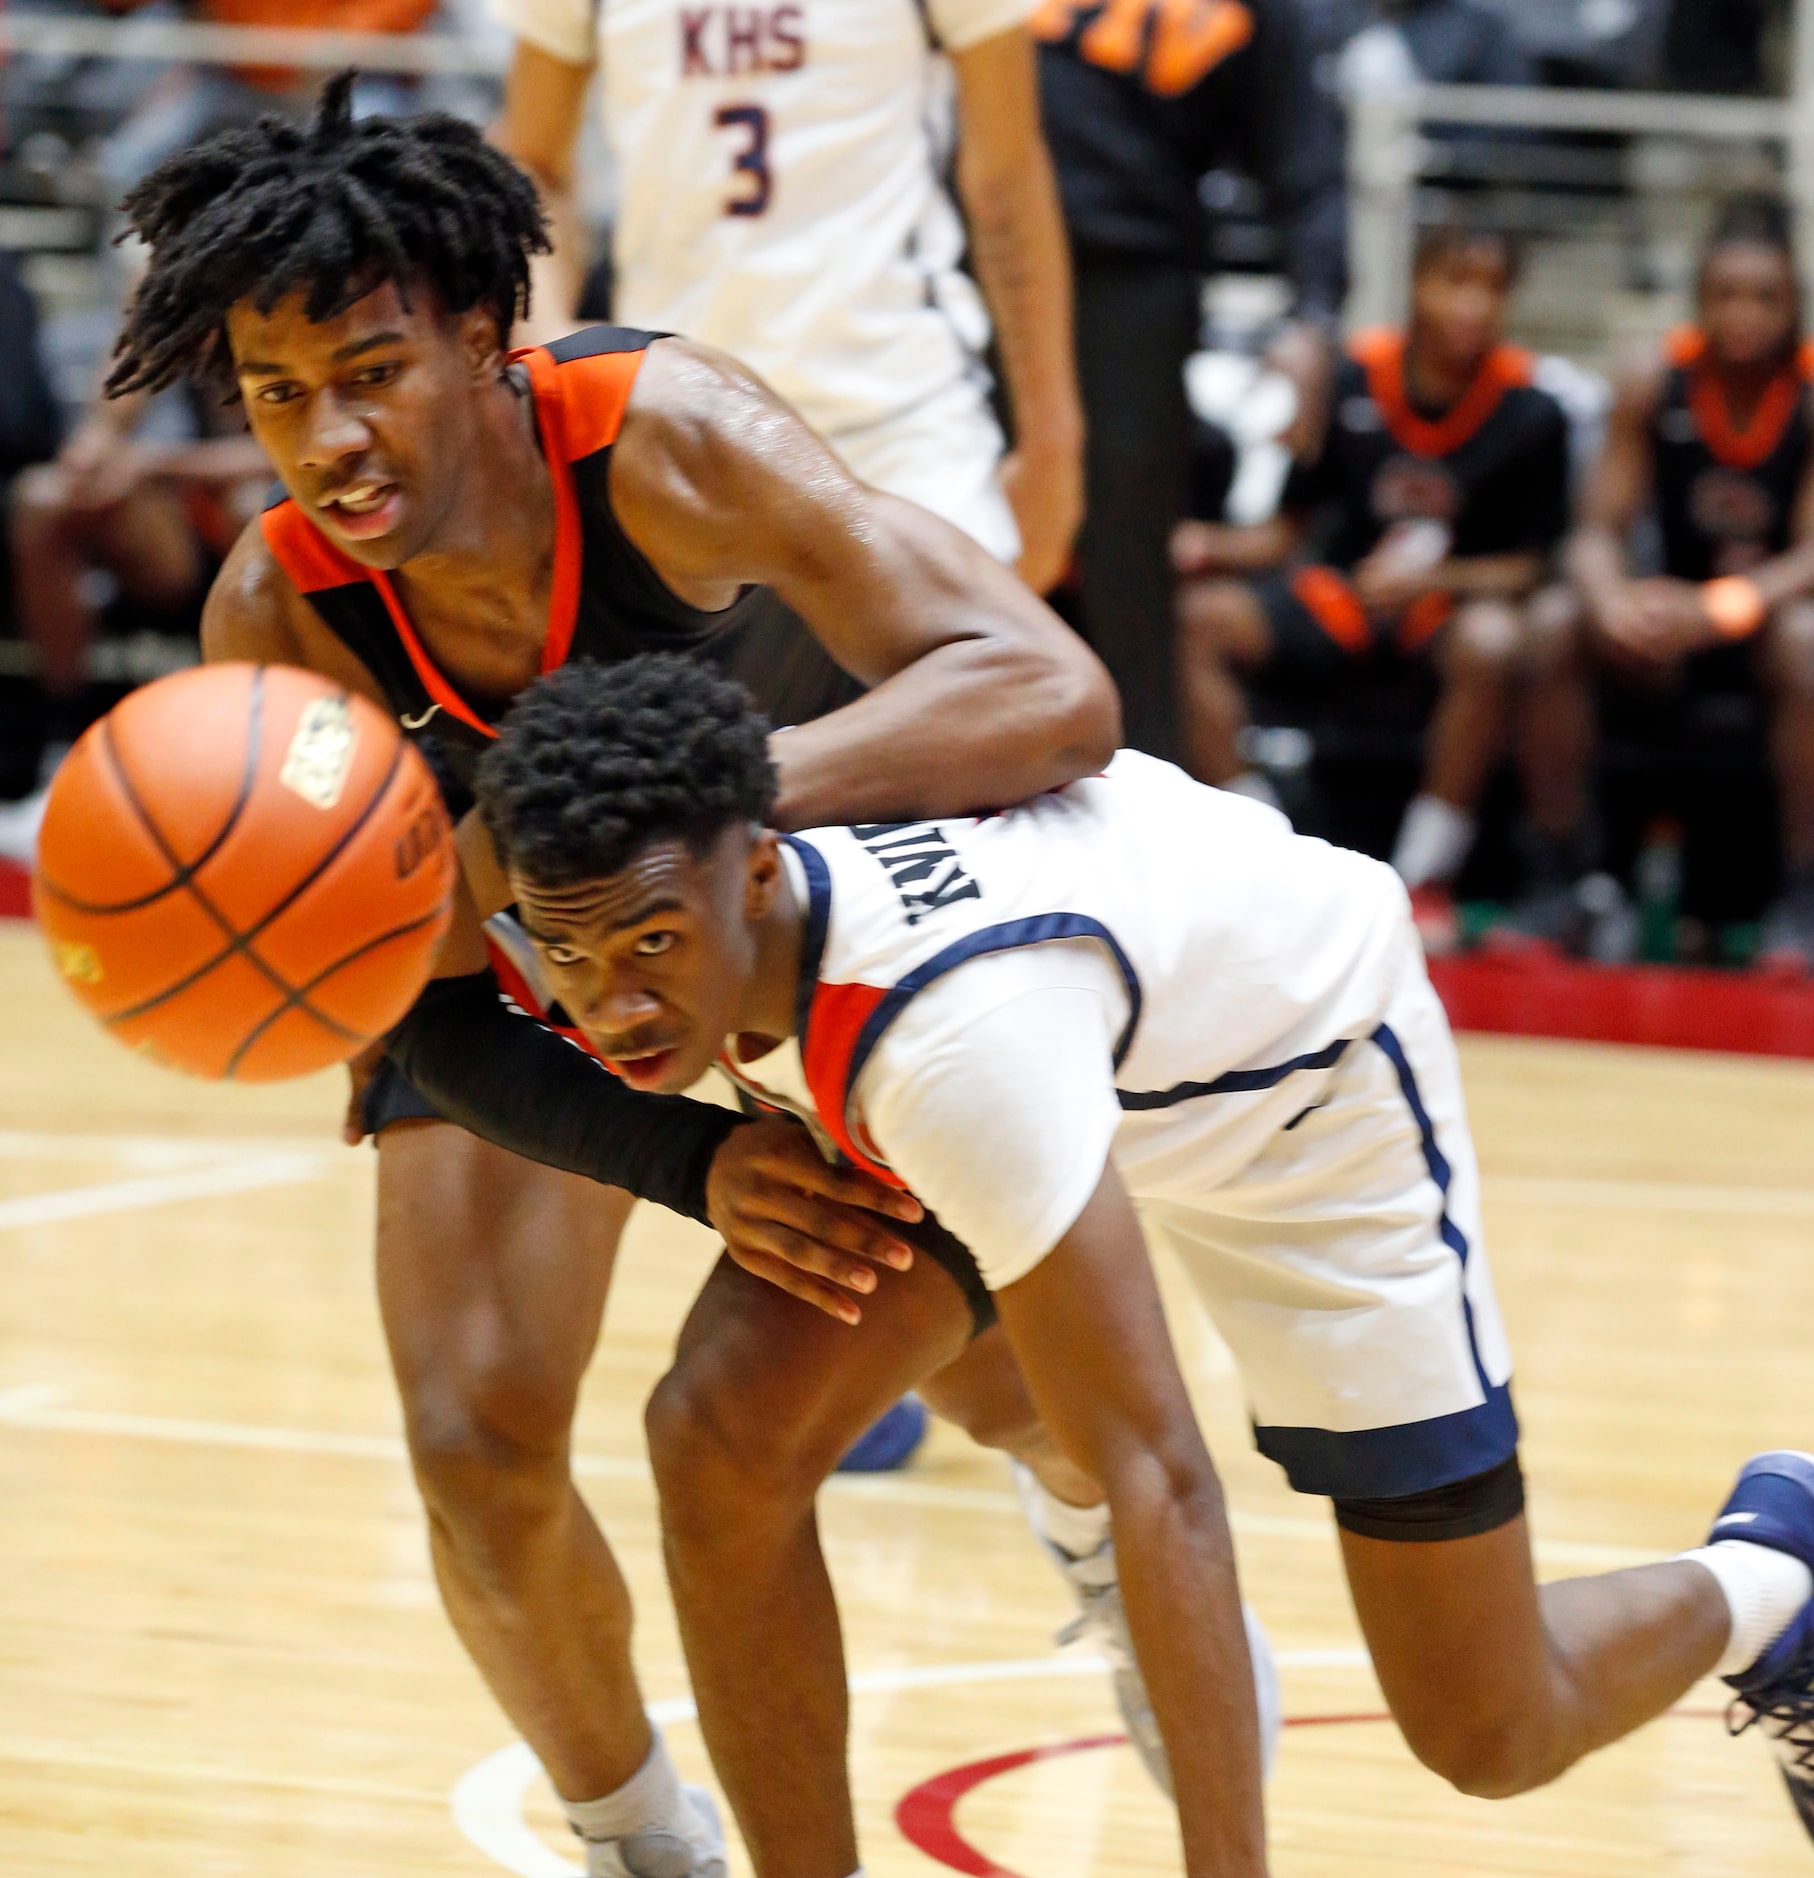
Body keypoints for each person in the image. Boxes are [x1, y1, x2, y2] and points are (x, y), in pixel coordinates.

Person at [107, 81, 1125, 1878]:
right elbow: (396, 991)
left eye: (370, 370)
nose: (325, 436)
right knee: (470, 1439)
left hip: (823, 908)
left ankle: (1091, 1521)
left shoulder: (668, 440)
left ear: (489, 336)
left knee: (975, 1382)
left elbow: (1044, 689)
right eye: (276, 398)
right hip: (525, 967)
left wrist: (678, 822)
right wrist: (678, 1158)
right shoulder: (279, 612)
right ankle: (641, 1841)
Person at [451, 646, 1814, 1874]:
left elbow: (1167, 1474)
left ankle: (1779, 1574)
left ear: (755, 868)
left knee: (1489, 1725)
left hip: (1308, 1089)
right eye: (569, 953)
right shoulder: (644, 881)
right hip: (1082, 1039)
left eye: (651, 947)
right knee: (718, 1435)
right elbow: (440, 1006)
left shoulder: (947, 1052)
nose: (613, 1003)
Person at [489, 0, 1084, 601]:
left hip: (901, 422)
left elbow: (1006, 178)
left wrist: (1052, 444)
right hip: (677, 430)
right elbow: (533, 160)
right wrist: (551, 341)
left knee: (985, 679)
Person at [1176, 223, 1570, 933]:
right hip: (1342, 596)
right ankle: (1265, 856)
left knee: (1494, 640)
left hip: (1445, 608)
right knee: (1198, 619)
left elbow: (1532, 566)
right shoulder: (1352, 377)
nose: (1470, 305)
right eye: (1454, 281)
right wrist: (1207, 545)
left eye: (1490, 288)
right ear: (1416, 284)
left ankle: (1425, 877)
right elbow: (1287, 530)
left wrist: (1437, 578)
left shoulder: (1532, 408)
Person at [1033, 0, 1349, 762]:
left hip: (1130, 278)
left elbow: (1308, 166)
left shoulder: (1269, 14)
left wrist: (1314, 316)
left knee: (1127, 564)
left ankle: (1138, 794)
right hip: (959, 262)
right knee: (937, 527)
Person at [1524, 194, 1814, 967]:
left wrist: (1725, 607)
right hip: (1668, 616)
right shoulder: (1655, 382)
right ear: (1698, 300)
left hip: (1764, 619)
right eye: (1725, 294)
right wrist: (1613, 600)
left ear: (1795, 304)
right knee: (1557, 621)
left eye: (1765, 297)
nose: (1743, 314)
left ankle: (1802, 898)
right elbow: (1593, 534)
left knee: (1804, 641)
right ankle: (1566, 883)